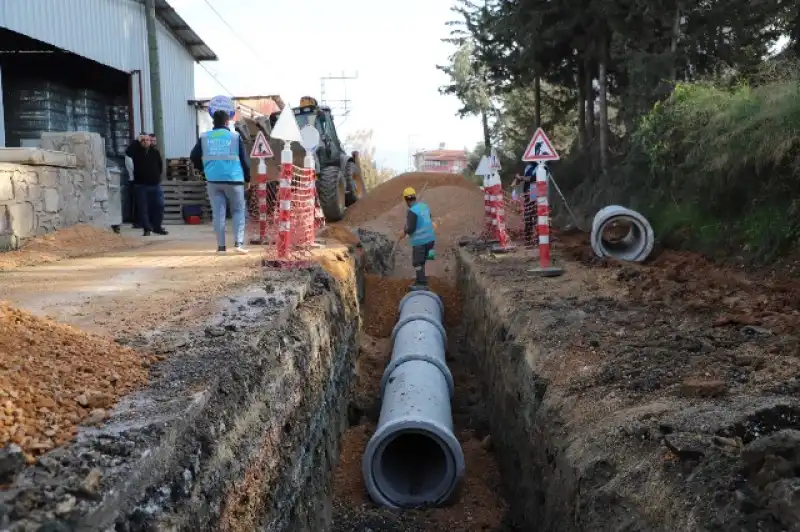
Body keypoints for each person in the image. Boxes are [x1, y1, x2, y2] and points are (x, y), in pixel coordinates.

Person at [190, 95, 251, 254]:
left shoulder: (205, 137)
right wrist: (248, 178)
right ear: (227, 122)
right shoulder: (234, 137)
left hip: (213, 180)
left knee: (218, 214)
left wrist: (203, 170)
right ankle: (238, 244)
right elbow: (244, 160)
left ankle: (221, 247)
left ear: (213, 122)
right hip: (234, 180)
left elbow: (194, 156)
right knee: (238, 211)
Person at [126, 132, 167, 236]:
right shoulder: (136, 151)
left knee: (159, 205)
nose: (145, 142)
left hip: (155, 184)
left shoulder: (155, 152)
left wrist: (157, 177)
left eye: (147, 140)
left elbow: (160, 165)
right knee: (143, 208)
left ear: (150, 141)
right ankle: (147, 228)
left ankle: (157, 227)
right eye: (143, 140)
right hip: (141, 185)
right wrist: (136, 141)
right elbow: (128, 152)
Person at [396, 187, 436, 287]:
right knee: (422, 261)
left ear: (406, 200)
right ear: (415, 197)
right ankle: (421, 278)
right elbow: (428, 217)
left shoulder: (411, 211)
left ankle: (421, 283)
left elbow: (411, 229)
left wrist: (404, 232)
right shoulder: (424, 206)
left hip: (420, 242)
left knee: (417, 263)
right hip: (431, 241)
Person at [513, 162, 539, 245]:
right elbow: (522, 180)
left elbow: (532, 179)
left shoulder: (539, 167)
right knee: (528, 216)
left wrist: (520, 177)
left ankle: (538, 237)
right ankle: (529, 239)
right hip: (528, 192)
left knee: (533, 215)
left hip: (534, 189)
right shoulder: (528, 167)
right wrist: (518, 179)